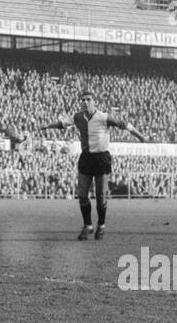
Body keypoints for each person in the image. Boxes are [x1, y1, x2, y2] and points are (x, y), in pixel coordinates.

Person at [34, 89, 148, 241]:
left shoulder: (104, 117)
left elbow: (125, 124)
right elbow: (61, 124)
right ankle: (88, 225)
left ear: (94, 102)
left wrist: (141, 137)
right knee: (82, 194)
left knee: (101, 195)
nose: (85, 102)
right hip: (86, 158)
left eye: (88, 99)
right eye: (83, 100)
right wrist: (46, 126)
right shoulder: (78, 117)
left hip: (102, 158)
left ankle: (101, 226)